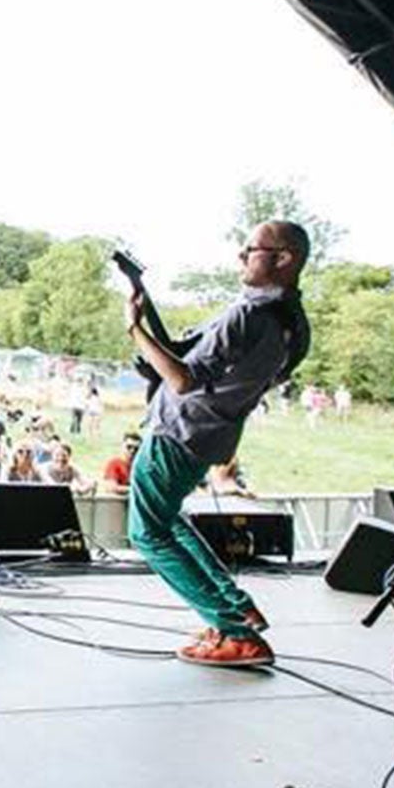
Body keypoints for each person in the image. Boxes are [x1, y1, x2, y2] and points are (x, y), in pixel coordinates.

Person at [126, 221, 311, 668]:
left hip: (179, 431)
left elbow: (184, 380)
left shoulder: (246, 316)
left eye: (251, 249)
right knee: (170, 519)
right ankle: (234, 603)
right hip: (214, 435)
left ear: (283, 258)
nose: (241, 256)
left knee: (147, 533)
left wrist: (134, 328)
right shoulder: (294, 326)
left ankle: (234, 630)